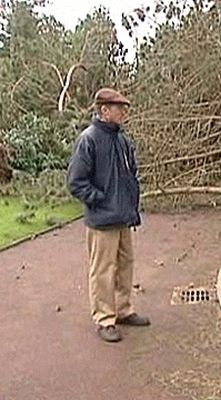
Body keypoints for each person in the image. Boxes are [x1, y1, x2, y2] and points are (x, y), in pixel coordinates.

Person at [67, 88, 150, 343]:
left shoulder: (122, 140)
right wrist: (100, 200)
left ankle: (123, 310)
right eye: (119, 108)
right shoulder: (89, 139)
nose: (124, 112)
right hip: (102, 220)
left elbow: (130, 174)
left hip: (124, 216)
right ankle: (105, 318)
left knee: (125, 265)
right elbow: (76, 182)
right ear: (104, 110)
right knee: (102, 270)